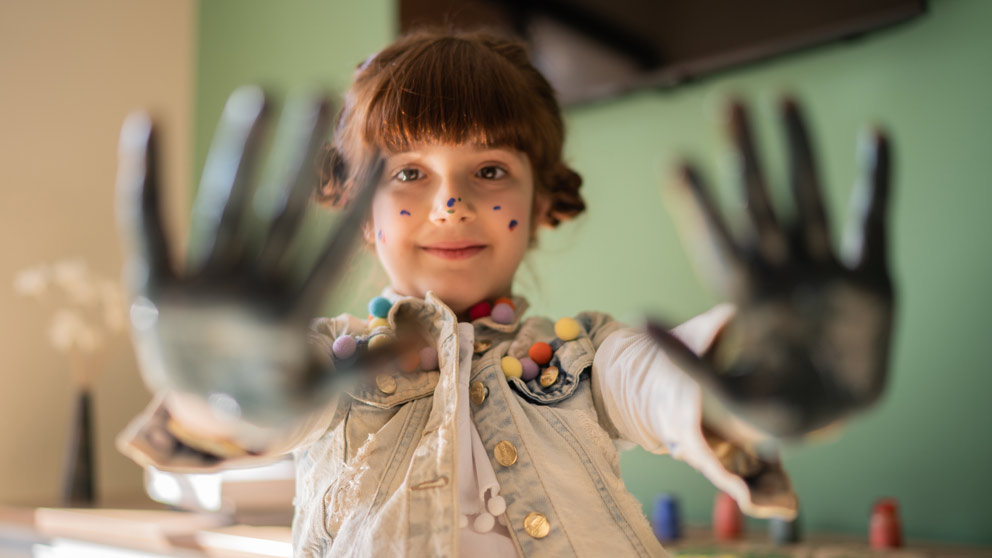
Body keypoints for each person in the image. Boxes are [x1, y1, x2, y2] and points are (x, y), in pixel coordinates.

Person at [115, 29, 894, 558]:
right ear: (356, 213)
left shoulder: (590, 357)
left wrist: (755, 372)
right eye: (407, 174)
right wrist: (216, 392)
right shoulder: (324, 364)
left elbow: (668, 385)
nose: (449, 203)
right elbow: (260, 407)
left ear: (547, 200)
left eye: (488, 171)